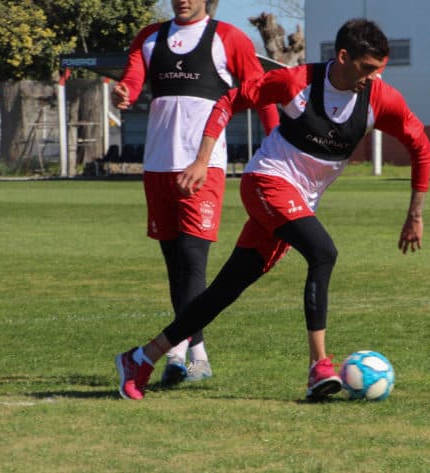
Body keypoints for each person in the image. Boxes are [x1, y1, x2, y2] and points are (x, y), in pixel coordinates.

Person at [115, 18, 430, 401]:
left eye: (379, 70)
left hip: (298, 200)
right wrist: (202, 160)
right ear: (344, 56)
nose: (373, 78)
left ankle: (141, 358)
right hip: (266, 182)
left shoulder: (379, 98)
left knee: (224, 290)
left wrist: (414, 213)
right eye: (367, 68)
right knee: (323, 252)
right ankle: (319, 367)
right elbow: (230, 99)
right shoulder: (296, 81)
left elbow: (421, 146)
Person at [111, 0, 279, 389]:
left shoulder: (229, 38)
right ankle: (192, 354)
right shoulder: (150, 37)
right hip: (156, 167)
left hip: (203, 166)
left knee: (193, 260)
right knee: (175, 266)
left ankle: (179, 354)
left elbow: (261, 92)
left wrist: (273, 143)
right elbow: (132, 80)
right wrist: (124, 92)